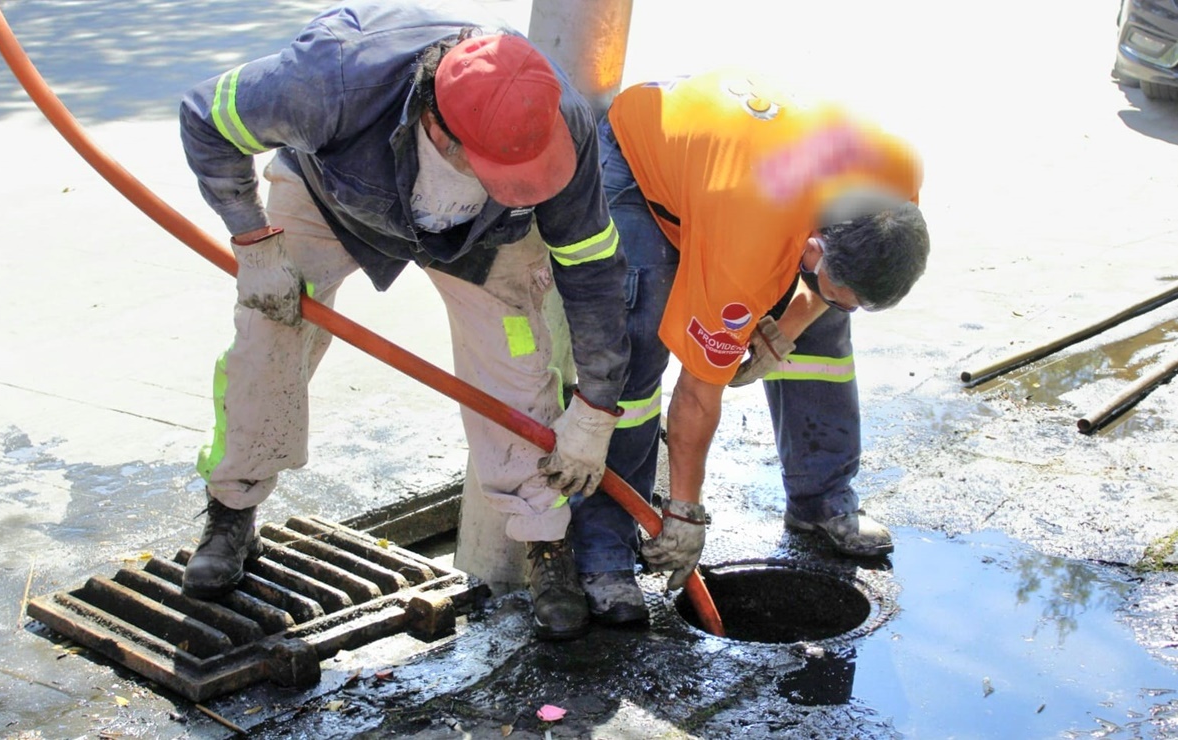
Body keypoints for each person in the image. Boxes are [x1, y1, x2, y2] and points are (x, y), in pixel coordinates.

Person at [176, 0, 630, 642]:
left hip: (487, 237)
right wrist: (254, 241)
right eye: (502, 171)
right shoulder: (331, 81)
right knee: (267, 336)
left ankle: (544, 542)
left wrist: (595, 409)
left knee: (521, 365)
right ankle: (231, 510)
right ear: (438, 129)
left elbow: (591, 265)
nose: (520, 180)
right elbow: (205, 116)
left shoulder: (557, 121)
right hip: (333, 198)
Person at [568, 69, 930, 624]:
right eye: (840, 291)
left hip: (743, 169)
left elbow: (829, 290)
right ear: (811, 250)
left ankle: (820, 500)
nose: (843, 302)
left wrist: (789, 325)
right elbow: (696, 394)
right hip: (642, 167)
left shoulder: (895, 177)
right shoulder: (749, 242)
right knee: (636, 344)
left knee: (826, 327)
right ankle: (605, 553)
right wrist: (686, 512)